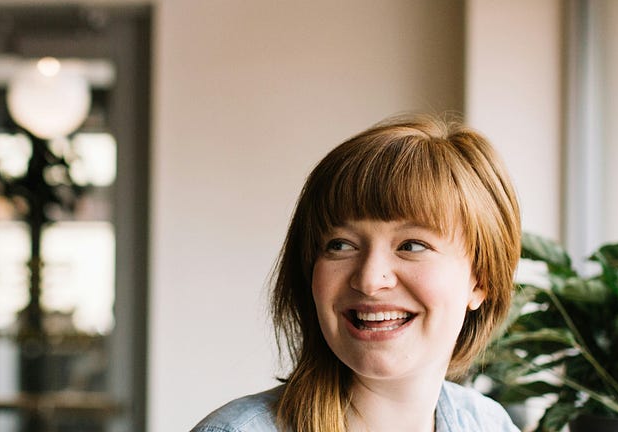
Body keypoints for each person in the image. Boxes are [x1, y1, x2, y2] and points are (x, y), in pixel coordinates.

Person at [193, 113, 524, 431]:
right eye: (340, 245)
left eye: (411, 245)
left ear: (479, 280)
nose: (369, 279)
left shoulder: (489, 424)